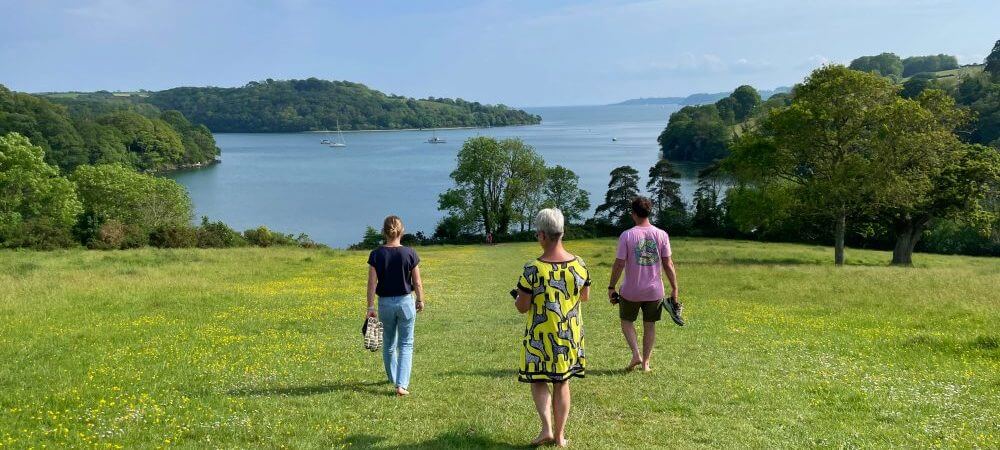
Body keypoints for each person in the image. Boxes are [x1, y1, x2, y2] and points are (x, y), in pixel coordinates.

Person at [513, 208, 590, 447]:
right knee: (562, 382)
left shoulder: (533, 269)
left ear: (542, 236)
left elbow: (522, 307)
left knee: (538, 380)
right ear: (562, 233)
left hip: (541, 335)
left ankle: (546, 429)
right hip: (570, 334)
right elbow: (584, 296)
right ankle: (560, 436)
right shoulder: (580, 265)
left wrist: (519, 297)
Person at [607, 197, 683, 373]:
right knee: (650, 325)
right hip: (654, 291)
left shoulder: (627, 235)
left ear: (633, 214)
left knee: (626, 321)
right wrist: (675, 288)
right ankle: (646, 363)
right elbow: (668, 264)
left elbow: (619, 264)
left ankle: (636, 354)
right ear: (650, 212)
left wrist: (611, 287)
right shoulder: (662, 234)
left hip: (630, 291)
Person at [366, 215, 425, 396]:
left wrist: (370, 307)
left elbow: (371, 284)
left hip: (384, 304)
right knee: (406, 344)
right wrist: (420, 300)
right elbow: (417, 282)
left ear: (384, 231)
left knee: (389, 344)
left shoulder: (376, 254)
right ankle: (401, 385)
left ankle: (393, 378)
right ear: (402, 231)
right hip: (406, 302)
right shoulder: (410, 253)